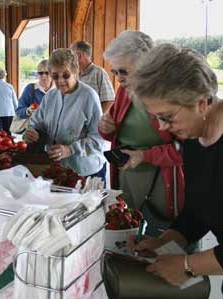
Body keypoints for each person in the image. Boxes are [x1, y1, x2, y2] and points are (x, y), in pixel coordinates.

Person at [129, 43, 223, 298]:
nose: (163, 128)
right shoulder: (194, 139)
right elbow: (198, 210)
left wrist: (187, 265)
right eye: (156, 118)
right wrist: (165, 241)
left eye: (167, 117)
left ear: (201, 102)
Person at [98, 30, 184, 237]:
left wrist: (145, 156)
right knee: (129, 233)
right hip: (128, 173)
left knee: (163, 238)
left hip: (161, 179)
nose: (119, 79)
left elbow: (185, 150)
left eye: (124, 72)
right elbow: (115, 133)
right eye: (115, 72)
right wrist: (105, 128)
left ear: (147, 65)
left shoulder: (168, 95)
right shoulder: (123, 91)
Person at [24, 48, 107, 180]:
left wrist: (70, 149)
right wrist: (33, 131)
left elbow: (99, 140)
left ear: (75, 71)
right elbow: (37, 122)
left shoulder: (89, 97)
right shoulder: (50, 96)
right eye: (55, 76)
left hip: (86, 171)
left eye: (66, 75)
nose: (60, 80)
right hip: (57, 168)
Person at [70, 41, 115, 113]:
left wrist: (98, 120)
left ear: (79, 56)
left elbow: (109, 100)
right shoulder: (74, 75)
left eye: (71, 54)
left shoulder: (99, 72)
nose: (69, 58)